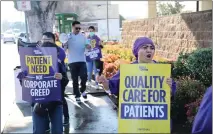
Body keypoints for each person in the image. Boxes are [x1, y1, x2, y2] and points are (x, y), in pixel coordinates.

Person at [96, 37, 176, 131]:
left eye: (151, 48)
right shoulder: (129, 70)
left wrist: (170, 87)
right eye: (145, 47)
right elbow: (112, 86)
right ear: (137, 50)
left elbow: (171, 93)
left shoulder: (161, 70)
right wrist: (105, 83)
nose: (149, 50)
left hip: (157, 118)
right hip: (135, 119)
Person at [63, 21, 90, 103]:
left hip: (82, 60)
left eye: (79, 28)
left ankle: (83, 90)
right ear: (72, 27)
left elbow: (88, 46)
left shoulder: (83, 36)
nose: (78, 29)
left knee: (84, 77)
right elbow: (64, 49)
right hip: (72, 61)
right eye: (76, 28)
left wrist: (88, 46)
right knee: (75, 79)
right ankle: (77, 95)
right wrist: (64, 44)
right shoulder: (67, 37)